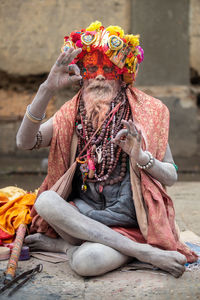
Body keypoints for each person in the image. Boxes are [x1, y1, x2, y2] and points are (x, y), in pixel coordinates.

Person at [16, 21, 197, 278]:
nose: (99, 75)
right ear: (82, 78)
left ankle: (66, 248)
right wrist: (47, 89)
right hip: (80, 218)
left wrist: (142, 157)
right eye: (91, 68)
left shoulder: (147, 114)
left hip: (129, 226)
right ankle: (144, 254)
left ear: (123, 77)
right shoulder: (71, 114)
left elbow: (171, 175)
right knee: (45, 200)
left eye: (109, 69)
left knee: (86, 262)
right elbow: (25, 142)